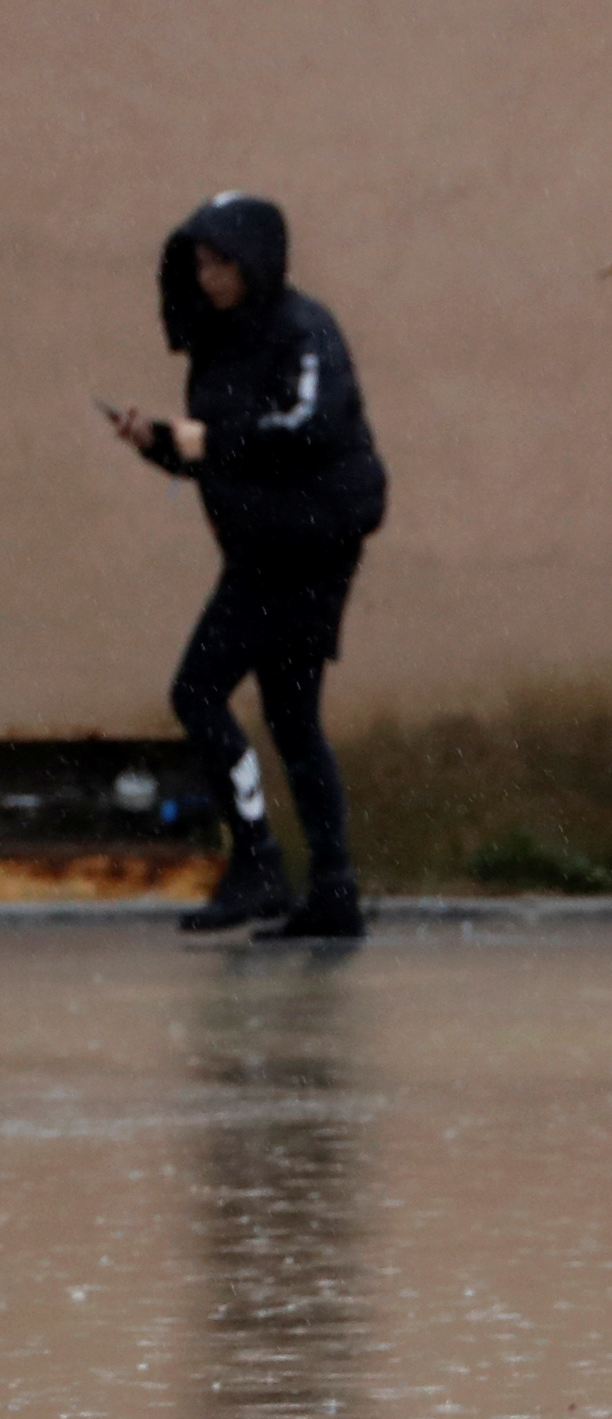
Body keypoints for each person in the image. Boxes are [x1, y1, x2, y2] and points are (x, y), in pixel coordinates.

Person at [107, 194, 385, 941]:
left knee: (197, 691)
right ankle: (332, 889)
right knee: (293, 719)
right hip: (263, 546)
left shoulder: (303, 330)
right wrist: (156, 441)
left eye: (221, 262)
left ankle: (260, 862)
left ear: (257, 260)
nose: (209, 277)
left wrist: (199, 439)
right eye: (199, 263)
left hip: (305, 547)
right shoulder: (218, 345)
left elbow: (303, 428)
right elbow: (219, 452)